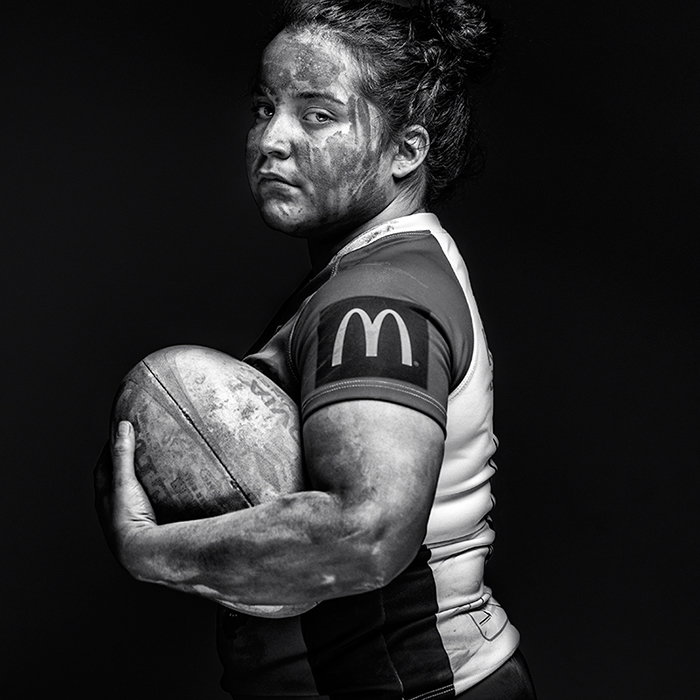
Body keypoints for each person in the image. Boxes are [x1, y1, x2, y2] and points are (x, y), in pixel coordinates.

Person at [95, 1, 537, 698]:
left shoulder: (376, 299)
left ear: (406, 150)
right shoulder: (382, 267)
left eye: (317, 114)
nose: (271, 139)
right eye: (263, 108)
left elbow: (367, 532)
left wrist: (149, 550)